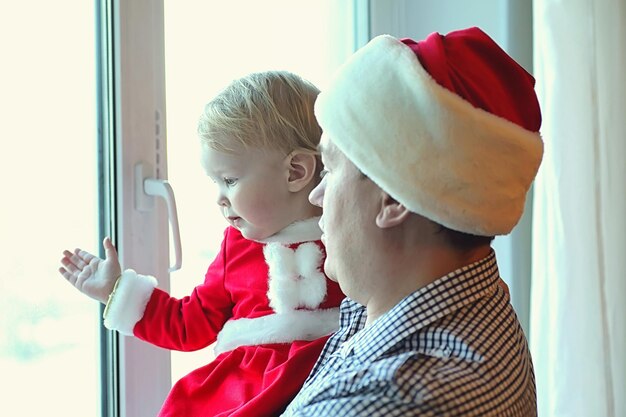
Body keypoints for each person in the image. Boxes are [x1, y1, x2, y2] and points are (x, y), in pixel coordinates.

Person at [281, 27, 543, 416]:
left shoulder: (382, 402)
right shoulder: (475, 300)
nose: (316, 198)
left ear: (393, 198)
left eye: (331, 169)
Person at [58, 71, 345, 417]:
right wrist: (116, 291)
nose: (220, 199)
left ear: (295, 172)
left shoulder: (347, 234)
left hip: (326, 381)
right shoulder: (235, 248)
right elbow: (187, 323)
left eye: (230, 180)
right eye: (216, 182)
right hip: (241, 393)